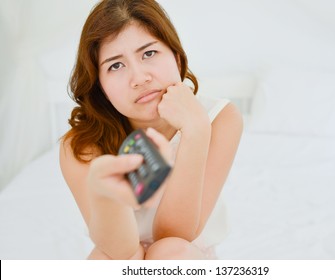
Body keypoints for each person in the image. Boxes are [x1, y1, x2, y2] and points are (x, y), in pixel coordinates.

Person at [60, 0, 242, 260]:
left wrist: (196, 130)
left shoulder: (219, 118)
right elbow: (120, 251)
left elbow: (175, 235)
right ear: (100, 86)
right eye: (116, 65)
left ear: (176, 57)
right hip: (120, 253)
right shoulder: (81, 146)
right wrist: (111, 197)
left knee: (170, 251)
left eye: (149, 53)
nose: (140, 78)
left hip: (184, 253)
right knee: (104, 260)